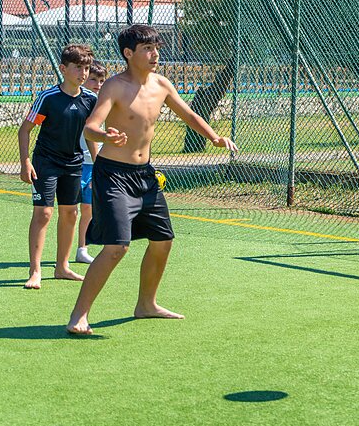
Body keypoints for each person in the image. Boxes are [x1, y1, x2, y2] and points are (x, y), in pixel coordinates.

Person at [66, 24, 236, 336]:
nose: (154, 53)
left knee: (163, 240)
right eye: (147, 48)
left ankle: (146, 304)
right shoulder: (114, 87)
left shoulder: (161, 85)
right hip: (113, 175)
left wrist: (214, 137)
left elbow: (189, 115)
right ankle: (79, 315)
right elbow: (90, 127)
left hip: (145, 175)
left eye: (156, 47)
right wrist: (105, 135)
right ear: (129, 54)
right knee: (117, 247)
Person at [18, 44, 98, 290]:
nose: (83, 73)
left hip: (74, 164)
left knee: (70, 213)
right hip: (46, 163)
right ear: (63, 69)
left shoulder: (91, 99)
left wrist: (98, 167)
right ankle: (35, 271)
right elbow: (25, 130)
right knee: (43, 213)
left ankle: (62, 267)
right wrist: (25, 163)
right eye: (77, 68)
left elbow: (91, 135)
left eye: (86, 68)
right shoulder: (48, 98)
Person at [73, 61, 108, 265]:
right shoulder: (79, 101)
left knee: (88, 208)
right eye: (93, 79)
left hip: (92, 164)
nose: (97, 84)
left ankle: (82, 248)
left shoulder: (100, 103)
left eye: (101, 80)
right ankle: (63, 255)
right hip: (75, 163)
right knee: (71, 210)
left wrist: (98, 164)